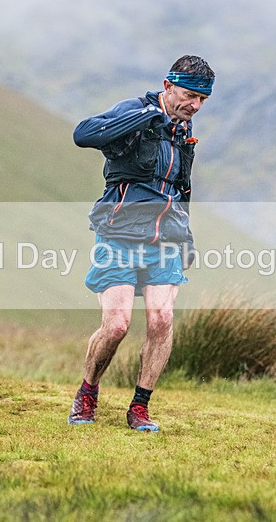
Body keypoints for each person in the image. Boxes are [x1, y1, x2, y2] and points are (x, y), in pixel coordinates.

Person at [68, 55, 215, 432]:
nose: (194, 105)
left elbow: (181, 188)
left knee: (162, 319)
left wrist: (189, 238)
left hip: (167, 237)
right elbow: (84, 134)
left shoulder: (185, 131)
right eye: (188, 95)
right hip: (119, 232)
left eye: (202, 100)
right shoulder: (136, 110)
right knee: (116, 326)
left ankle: (140, 406)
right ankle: (88, 392)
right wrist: (145, 118)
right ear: (168, 86)